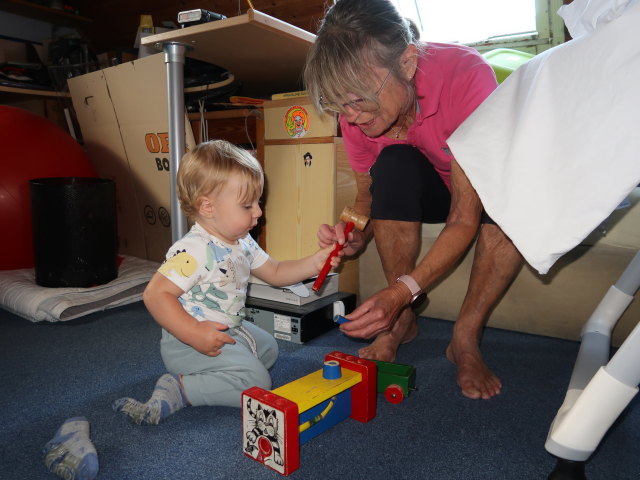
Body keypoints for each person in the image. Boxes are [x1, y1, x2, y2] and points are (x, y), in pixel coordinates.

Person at [303, 0, 524, 400]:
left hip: (484, 187)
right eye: (339, 105)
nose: (350, 117)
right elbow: (367, 195)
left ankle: (465, 339)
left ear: (406, 63)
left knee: (511, 200)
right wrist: (353, 231)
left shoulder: (466, 77)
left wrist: (404, 291)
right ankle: (401, 323)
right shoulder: (357, 115)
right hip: (433, 188)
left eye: (357, 100)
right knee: (393, 163)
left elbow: (463, 217)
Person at [113, 140, 342, 425]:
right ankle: (182, 389)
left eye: (257, 202)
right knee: (258, 383)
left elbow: (276, 271)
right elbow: (155, 294)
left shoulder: (241, 241)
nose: (258, 212)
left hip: (230, 326)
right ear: (208, 207)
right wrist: (194, 332)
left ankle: (223, 371)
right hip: (187, 342)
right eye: (247, 205)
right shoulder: (194, 250)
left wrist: (314, 262)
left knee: (269, 348)